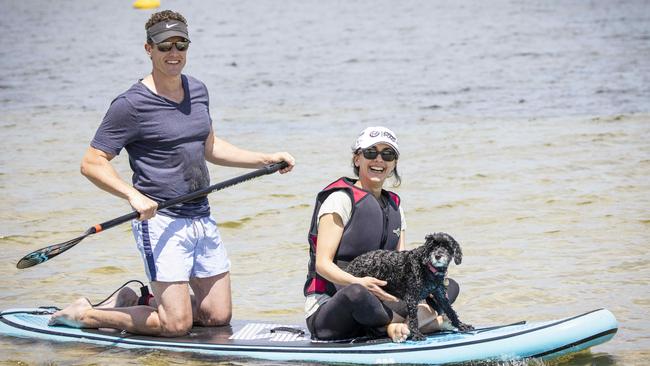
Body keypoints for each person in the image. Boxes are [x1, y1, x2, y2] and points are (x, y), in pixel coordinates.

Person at [49, 10, 295, 337]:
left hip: (201, 216)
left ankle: (135, 300)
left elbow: (208, 146)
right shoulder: (131, 104)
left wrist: (265, 158)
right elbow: (92, 162)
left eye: (181, 44)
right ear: (149, 49)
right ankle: (87, 314)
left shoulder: (198, 90)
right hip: (160, 221)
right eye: (165, 46)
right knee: (175, 326)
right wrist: (132, 195)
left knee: (217, 316)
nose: (174, 53)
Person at [303, 126, 459, 343]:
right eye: (370, 153)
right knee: (356, 292)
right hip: (334, 307)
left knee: (446, 286)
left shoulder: (395, 206)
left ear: (394, 163)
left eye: (387, 155)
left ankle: (403, 326)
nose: (379, 160)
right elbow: (322, 264)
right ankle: (407, 325)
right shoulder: (339, 200)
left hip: (384, 303)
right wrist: (361, 283)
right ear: (357, 159)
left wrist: (424, 291)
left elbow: (406, 265)